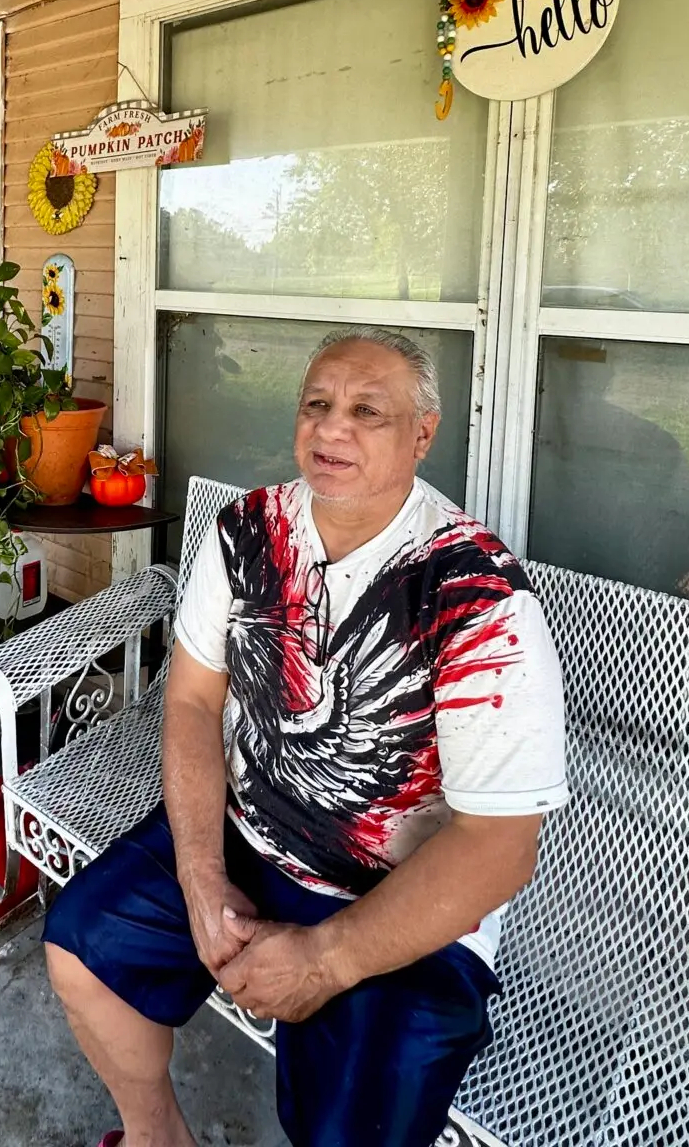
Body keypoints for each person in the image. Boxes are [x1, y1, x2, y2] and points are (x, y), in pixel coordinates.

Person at [45, 326, 569, 1147]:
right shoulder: (248, 531)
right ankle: (156, 1138)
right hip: (248, 835)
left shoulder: (476, 596)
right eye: (318, 405)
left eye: (369, 411)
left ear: (423, 435)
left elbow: (499, 847)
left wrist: (327, 960)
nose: (333, 429)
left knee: (352, 1129)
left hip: (398, 901)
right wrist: (198, 872)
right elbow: (189, 704)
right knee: (81, 949)